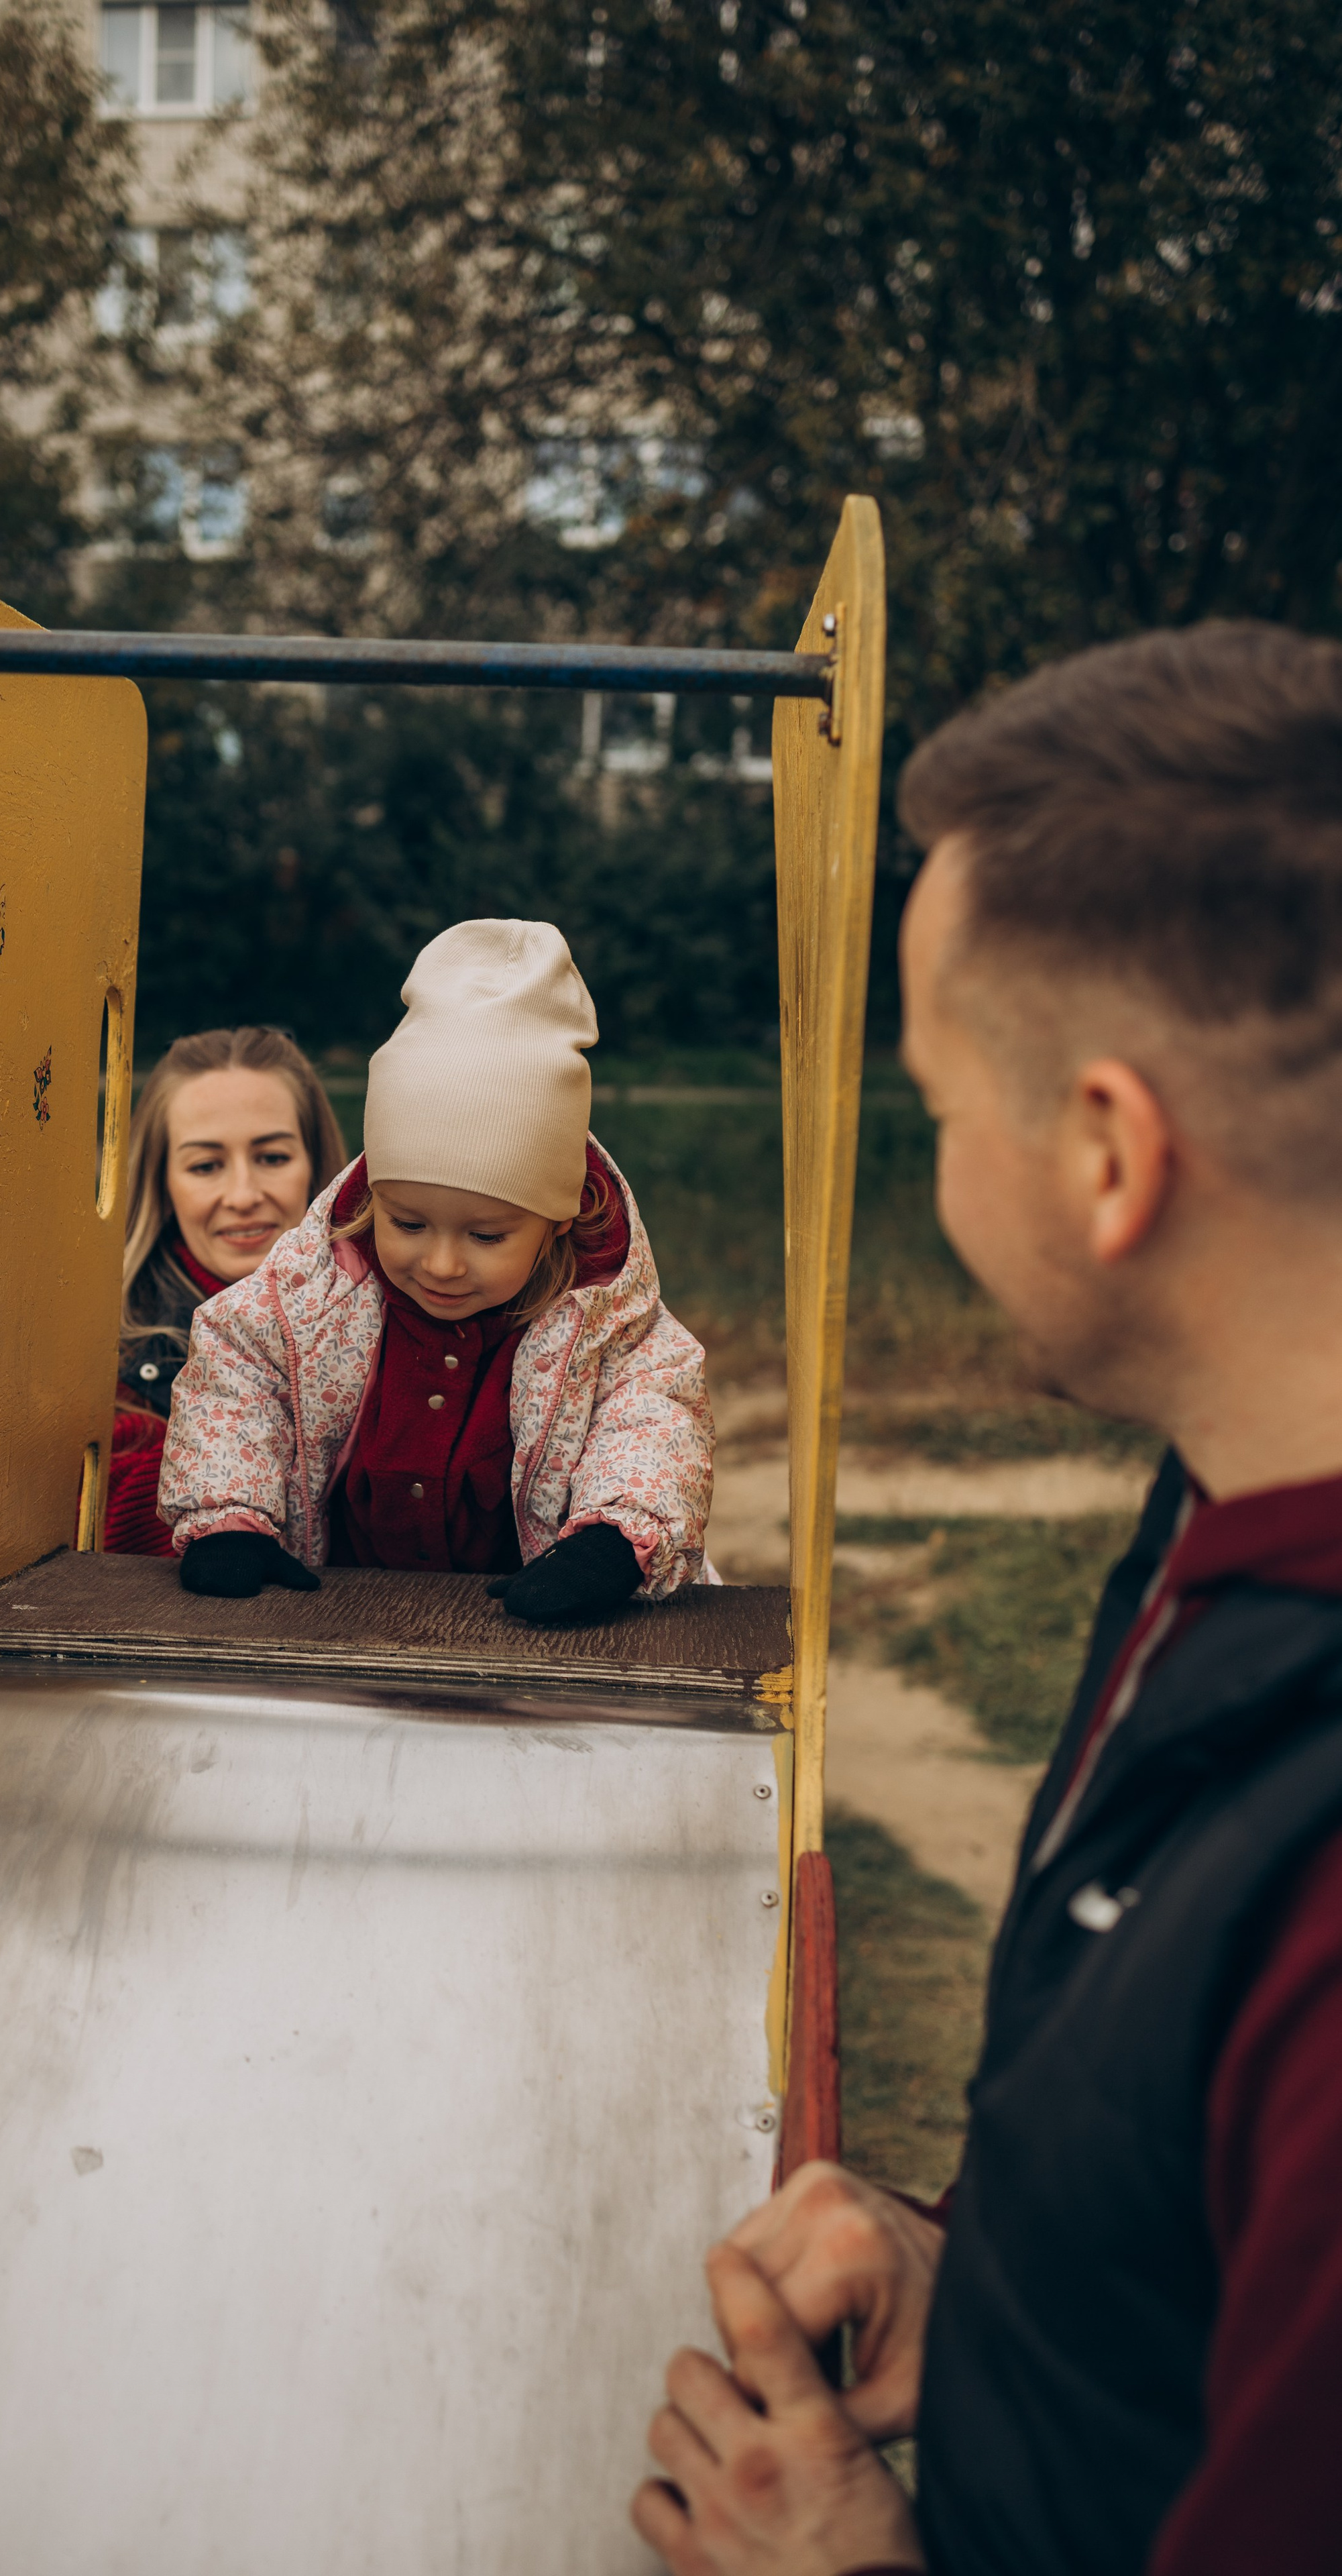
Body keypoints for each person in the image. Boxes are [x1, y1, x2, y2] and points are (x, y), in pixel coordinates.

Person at [632, 623, 1342, 2576]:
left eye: (938, 1106)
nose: (933, 1176)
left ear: (1108, 1150)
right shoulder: (1223, 1501)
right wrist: (993, 2274)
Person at [158, 918, 713, 1625]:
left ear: (558, 1220)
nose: (442, 1264)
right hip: (339, 1618)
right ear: (372, 1199)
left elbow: (651, 1422)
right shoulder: (318, 1292)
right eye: (408, 1224)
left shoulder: (606, 1330)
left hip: (534, 1629)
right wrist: (229, 1517)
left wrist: (612, 1544)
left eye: (486, 1234)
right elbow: (238, 1375)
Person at [104, 1028, 347, 1555]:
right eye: (206, 1166)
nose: (243, 1195)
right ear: (162, 1183)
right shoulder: (112, 1346)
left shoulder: (400, 1309)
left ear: (318, 1169)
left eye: (273, 1157)